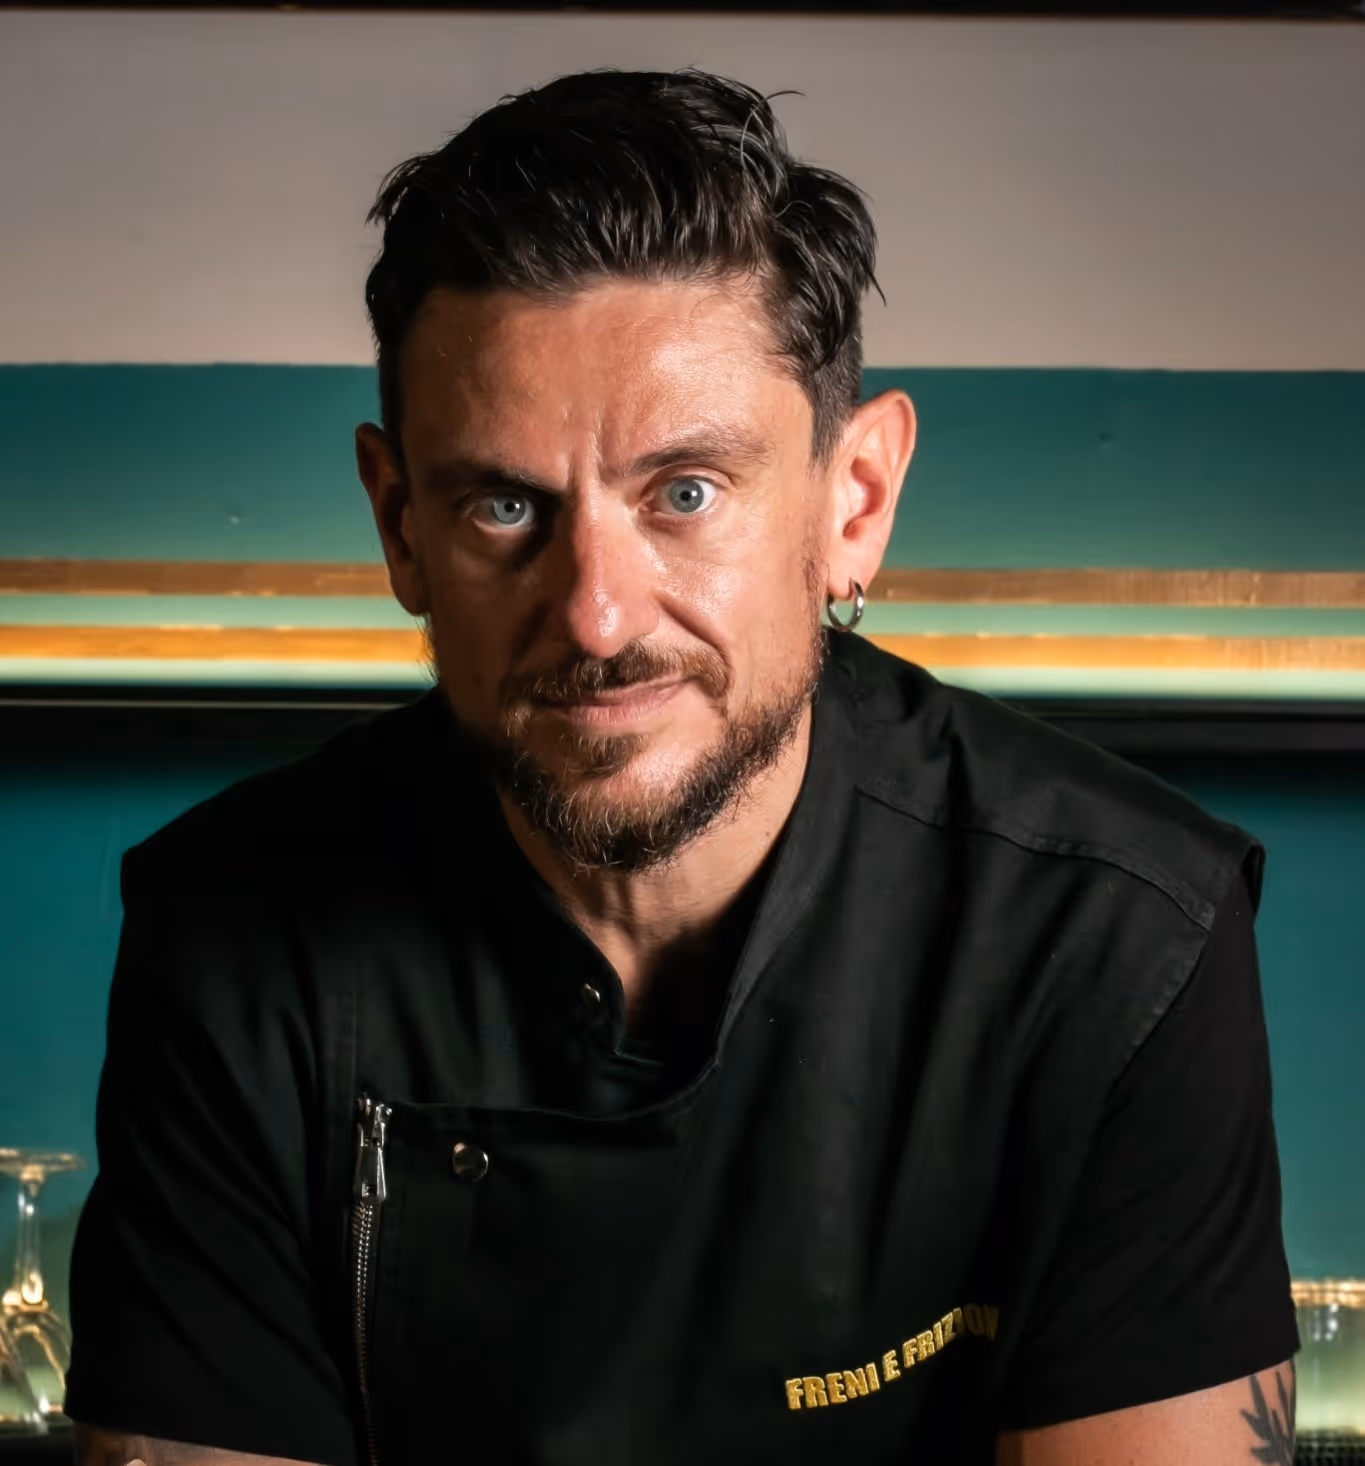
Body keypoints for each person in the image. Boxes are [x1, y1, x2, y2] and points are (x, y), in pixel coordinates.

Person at [66, 68, 1298, 1466]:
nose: (597, 614)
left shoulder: (1121, 936)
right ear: (402, 526)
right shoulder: (234, 936)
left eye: (686, 493)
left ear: (854, 503)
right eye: (505, 505)